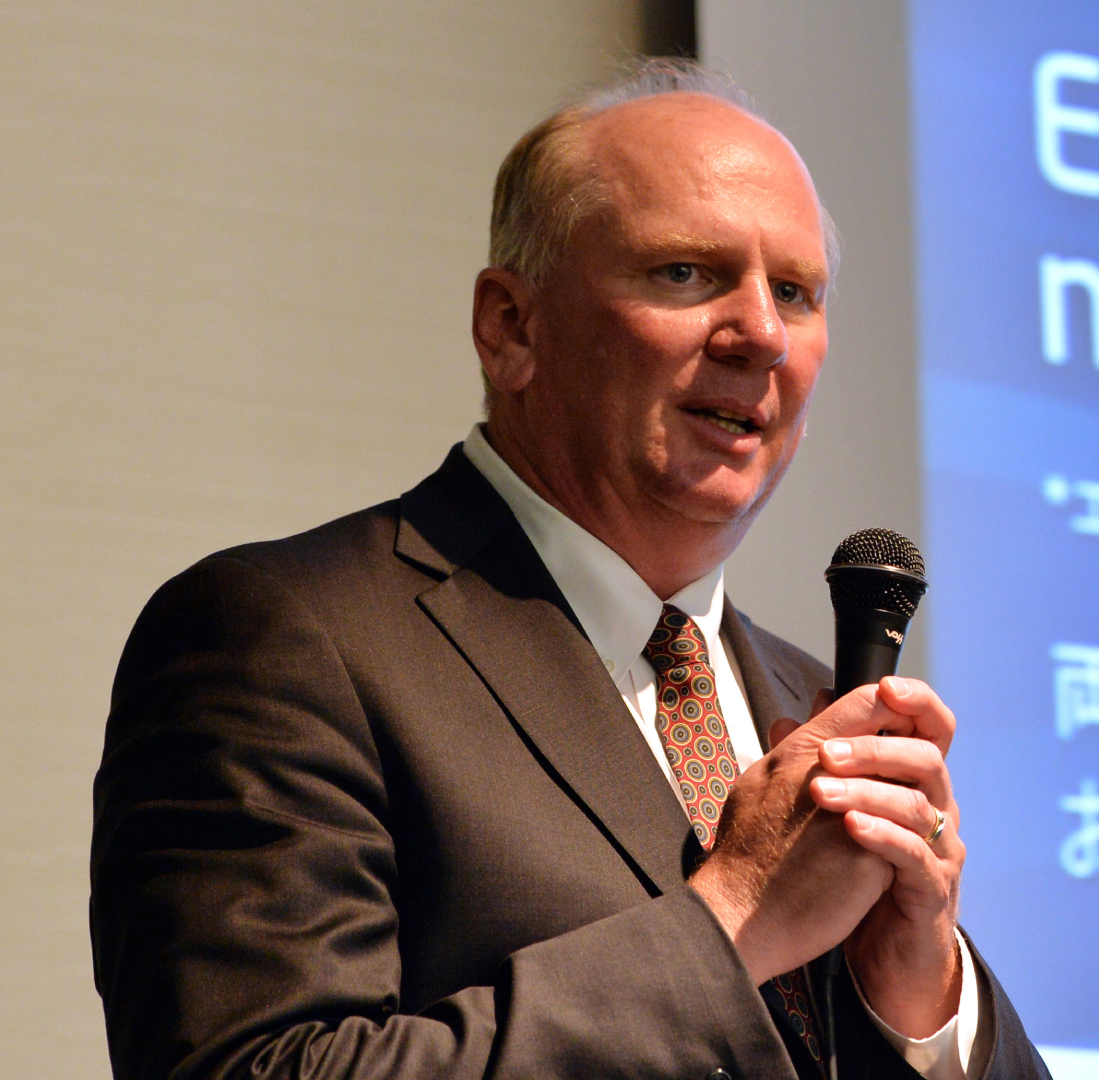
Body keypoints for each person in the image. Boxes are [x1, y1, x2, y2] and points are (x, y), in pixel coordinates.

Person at [90, 60, 1050, 1080]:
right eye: (685, 272)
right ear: (512, 326)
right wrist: (730, 921)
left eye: (797, 292)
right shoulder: (286, 638)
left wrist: (921, 997)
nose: (762, 336)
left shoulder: (810, 703)